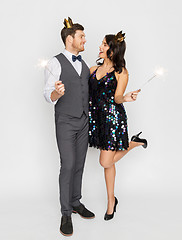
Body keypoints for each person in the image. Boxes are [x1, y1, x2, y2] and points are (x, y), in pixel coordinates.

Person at [44, 17, 95, 237]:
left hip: (83, 120)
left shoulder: (83, 63)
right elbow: (48, 94)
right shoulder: (54, 63)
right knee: (68, 164)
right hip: (65, 120)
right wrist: (57, 92)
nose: (85, 39)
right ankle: (66, 213)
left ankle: (76, 202)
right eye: (81, 36)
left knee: (80, 164)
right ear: (69, 38)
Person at [89, 31, 147, 221]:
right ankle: (111, 201)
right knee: (108, 164)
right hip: (97, 120)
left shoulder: (121, 72)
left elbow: (117, 97)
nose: (100, 47)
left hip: (113, 120)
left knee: (105, 162)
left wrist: (126, 98)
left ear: (112, 51)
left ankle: (134, 143)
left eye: (104, 44)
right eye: (102, 44)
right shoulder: (92, 70)